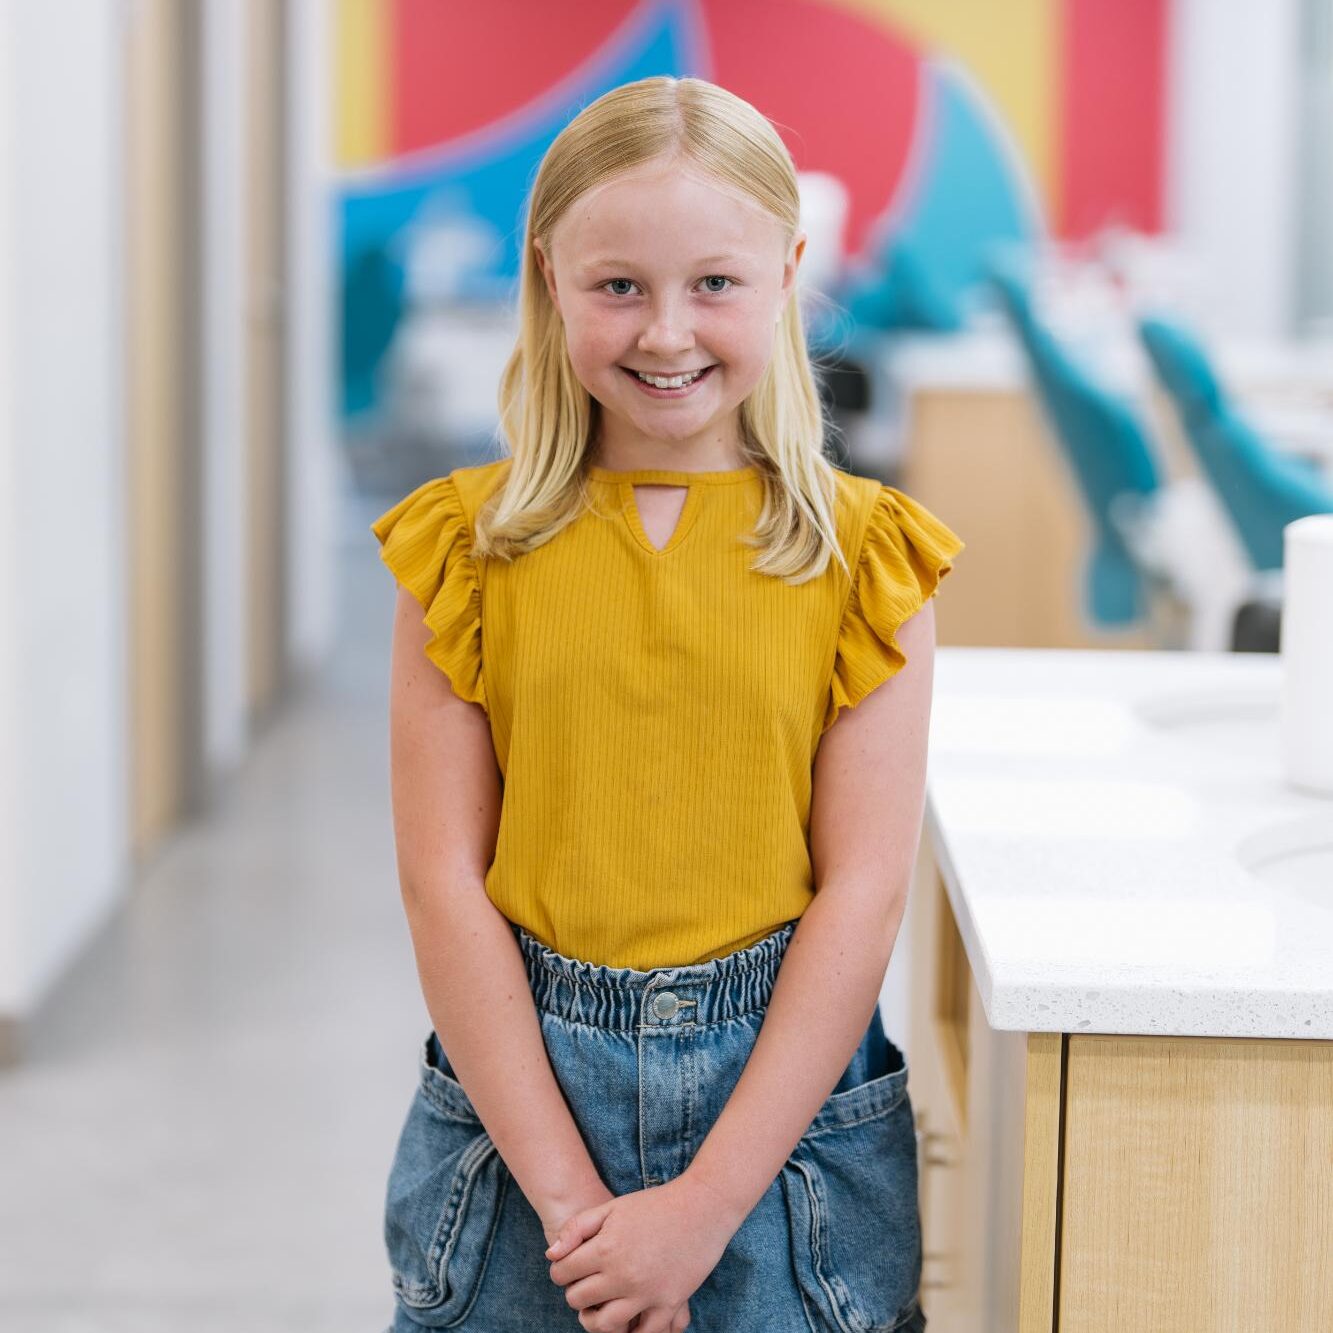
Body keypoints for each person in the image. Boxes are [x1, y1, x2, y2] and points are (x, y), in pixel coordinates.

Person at [370, 74, 963, 1333]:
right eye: (619, 286)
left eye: (714, 283)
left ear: (787, 275)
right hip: (521, 1120)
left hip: (783, 1137)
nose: (666, 332)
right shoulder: (461, 550)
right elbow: (442, 883)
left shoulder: (866, 558)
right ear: (550, 279)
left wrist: (700, 1209)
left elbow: (862, 893)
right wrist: (573, 1204)